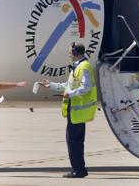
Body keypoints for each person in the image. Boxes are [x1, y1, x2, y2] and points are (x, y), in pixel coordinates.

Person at [39, 42, 97, 178]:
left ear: (76, 52)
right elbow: (68, 85)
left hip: (78, 112)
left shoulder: (84, 67)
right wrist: (51, 85)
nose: (68, 53)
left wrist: (70, 94)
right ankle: (79, 168)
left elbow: (86, 86)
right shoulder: (78, 67)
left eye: (70, 51)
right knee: (75, 142)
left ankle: (78, 170)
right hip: (75, 112)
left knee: (73, 142)